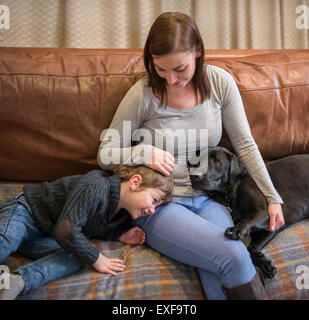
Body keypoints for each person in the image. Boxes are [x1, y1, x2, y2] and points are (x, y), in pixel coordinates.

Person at [97, 12, 285, 300]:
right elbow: (105, 154)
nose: (171, 80)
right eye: (161, 69)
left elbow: (245, 146)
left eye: (180, 69)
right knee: (234, 257)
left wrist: (272, 197)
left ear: (198, 51)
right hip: (160, 203)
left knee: (225, 263)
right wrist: (142, 151)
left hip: (210, 200)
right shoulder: (143, 94)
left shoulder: (220, 83)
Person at [0, 165, 173, 300]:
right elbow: (66, 230)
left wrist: (119, 236)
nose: (152, 210)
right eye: (154, 200)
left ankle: (18, 281)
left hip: (46, 236)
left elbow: (94, 226)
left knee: (77, 257)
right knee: (6, 241)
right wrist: (97, 258)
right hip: (27, 213)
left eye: (157, 207)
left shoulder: (121, 214)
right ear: (135, 183)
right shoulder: (96, 186)